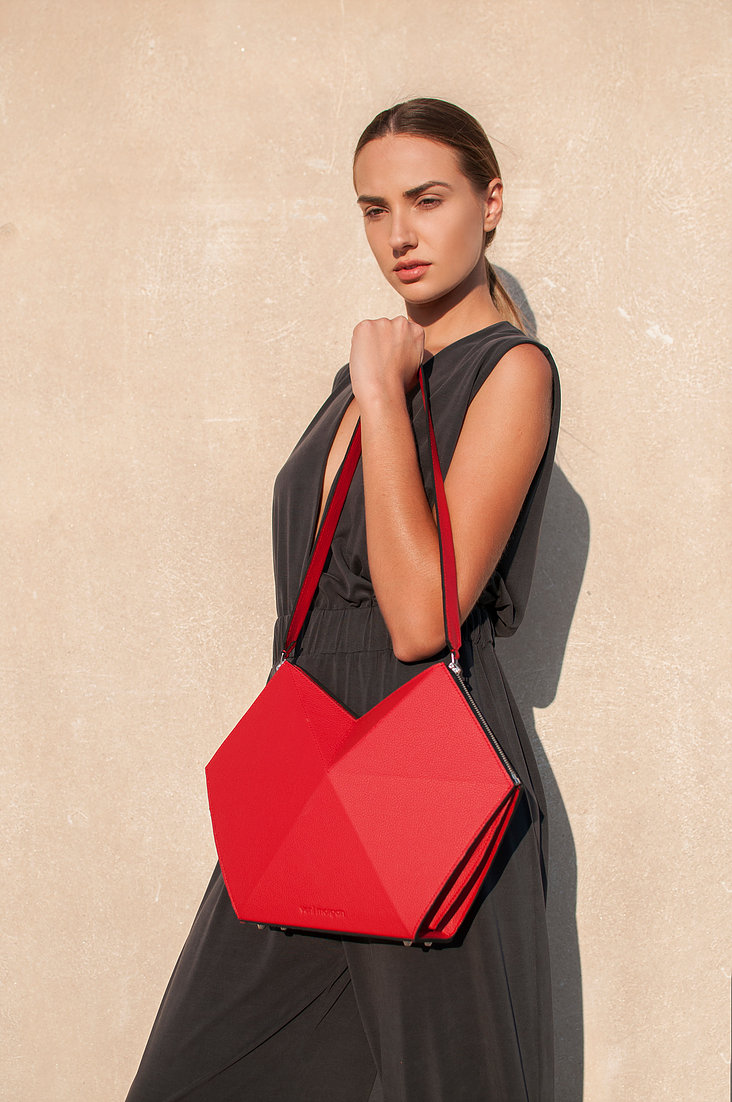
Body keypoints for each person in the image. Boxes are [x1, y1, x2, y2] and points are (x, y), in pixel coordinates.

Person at [126, 97, 561, 1102]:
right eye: (374, 208)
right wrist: (372, 384)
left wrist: (379, 393)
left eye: (428, 199)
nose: (399, 234)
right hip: (313, 765)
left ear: (491, 202)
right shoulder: (366, 374)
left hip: (426, 773)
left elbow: (420, 620)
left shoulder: (510, 372)